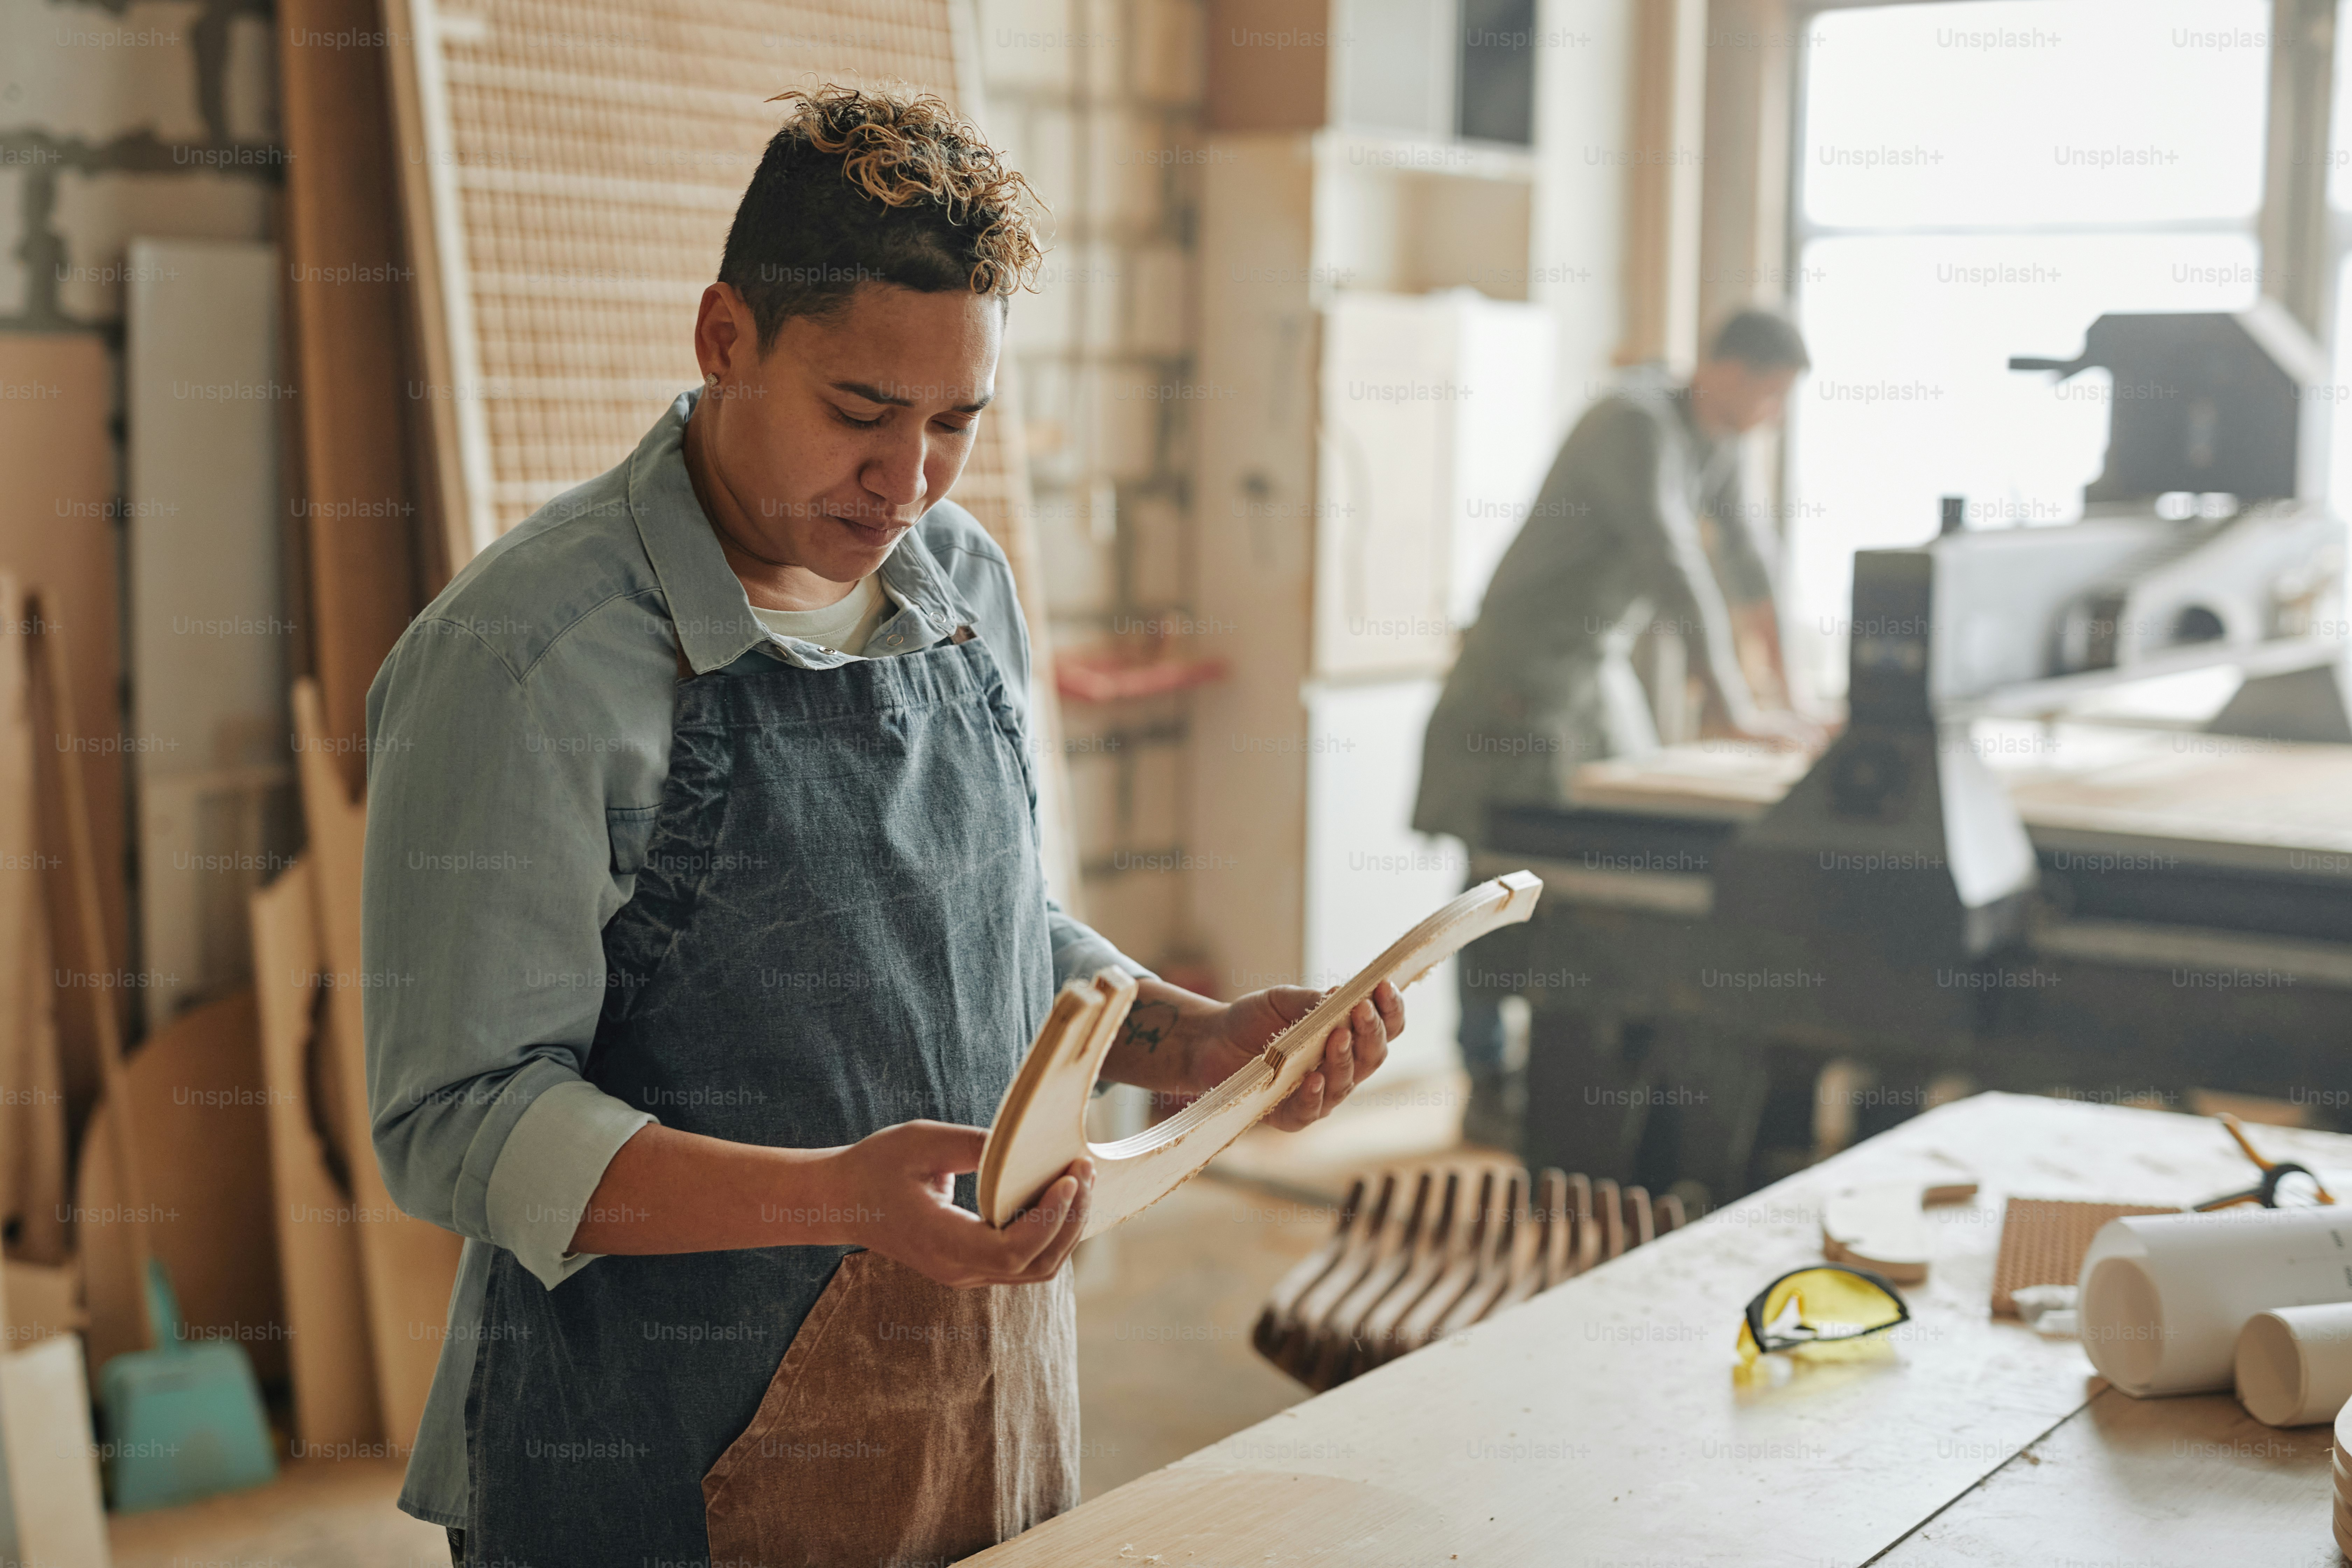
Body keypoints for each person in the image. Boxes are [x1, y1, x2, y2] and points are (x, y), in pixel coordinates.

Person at [363, 87, 1401, 1568]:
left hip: (977, 1409)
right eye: (860, 413)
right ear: (725, 338)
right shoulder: (528, 660)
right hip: (653, 1465)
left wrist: (1196, 1041)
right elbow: (452, 1120)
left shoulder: (962, 585)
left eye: (954, 426)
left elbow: (980, 935)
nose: (906, 482)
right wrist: (836, 1197)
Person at [1412, 309, 1815, 1149]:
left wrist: (1792, 694)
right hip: (1516, 680)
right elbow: (1674, 558)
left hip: (1592, 675)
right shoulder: (1631, 423)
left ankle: (1579, 1075)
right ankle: (1485, 1077)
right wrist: (1734, 705)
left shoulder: (1720, 444)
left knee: (1614, 862)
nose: (1771, 415)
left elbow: (1750, 561)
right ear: (1728, 374)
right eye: (1770, 396)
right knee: (1495, 878)